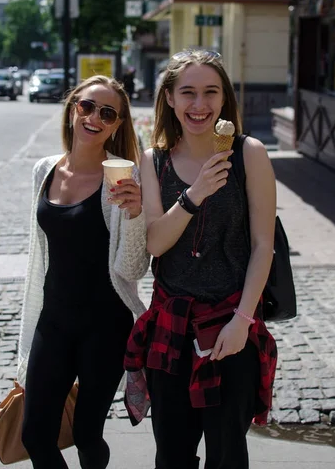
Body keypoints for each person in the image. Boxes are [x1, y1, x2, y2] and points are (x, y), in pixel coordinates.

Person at [124, 49, 278, 469]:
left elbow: (264, 245)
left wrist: (243, 322)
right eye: (187, 92)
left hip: (231, 324)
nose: (199, 105)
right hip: (170, 328)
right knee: (172, 456)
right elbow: (156, 243)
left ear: (224, 99)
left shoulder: (250, 154)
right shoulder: (154, 162)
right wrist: (194, 194)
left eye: (211, 92)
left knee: (228, 456)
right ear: (170, 99)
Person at [18, 75, 150, 469]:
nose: (94, 118)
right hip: (54, 320)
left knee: (87, 434)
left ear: (117, 125)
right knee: (35, 435)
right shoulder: (44, 171)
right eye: (87, 106)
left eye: (107, 113)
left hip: (105, 327)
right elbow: (39, 252)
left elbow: (133, 268)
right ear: (73, 106)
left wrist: (136, 213)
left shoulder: (124, 181)